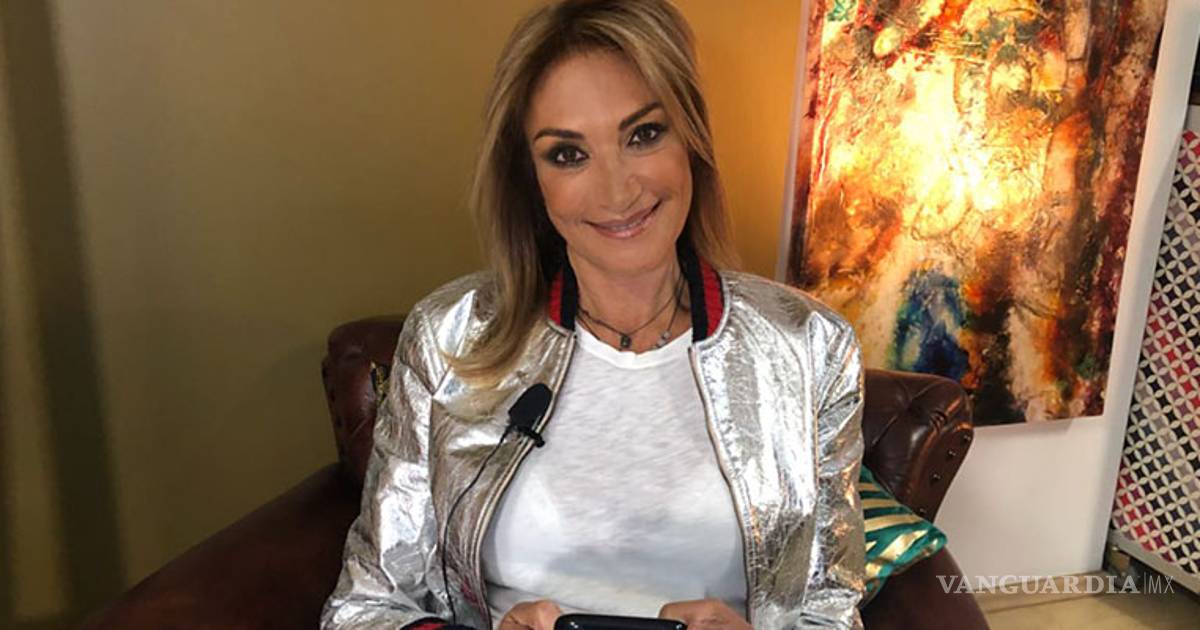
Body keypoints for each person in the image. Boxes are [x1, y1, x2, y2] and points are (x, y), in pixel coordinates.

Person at [321, 1, 865, 628]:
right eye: (567, 155)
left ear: (691, 137)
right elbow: (363, 609)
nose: (617, 191)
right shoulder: (448, 338)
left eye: (643, 135)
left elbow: (832, 609)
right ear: (531, 180)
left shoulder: (810, 345)